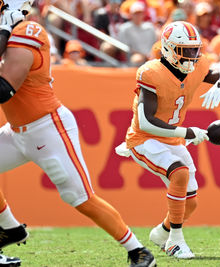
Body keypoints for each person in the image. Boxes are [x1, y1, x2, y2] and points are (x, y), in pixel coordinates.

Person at [0, 2, 155, 267]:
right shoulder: (8, 32)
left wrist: (5, 31)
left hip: (47, 128)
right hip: (17, 131)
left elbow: (3, 89)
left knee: (79, 197)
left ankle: (138, 251)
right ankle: (9, 227)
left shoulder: (28, 30)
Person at [116, 21, 220, 259]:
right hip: (144, 139)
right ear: (169, 49)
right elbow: (146, 123)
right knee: (180, 172)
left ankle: (161, 233)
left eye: (195, 50)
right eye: (186, 51)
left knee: (190, 204)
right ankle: (175, 241)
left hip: (170, 139)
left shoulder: (197, 66)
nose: (193, 57)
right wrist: (186, 132)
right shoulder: (152, 72)